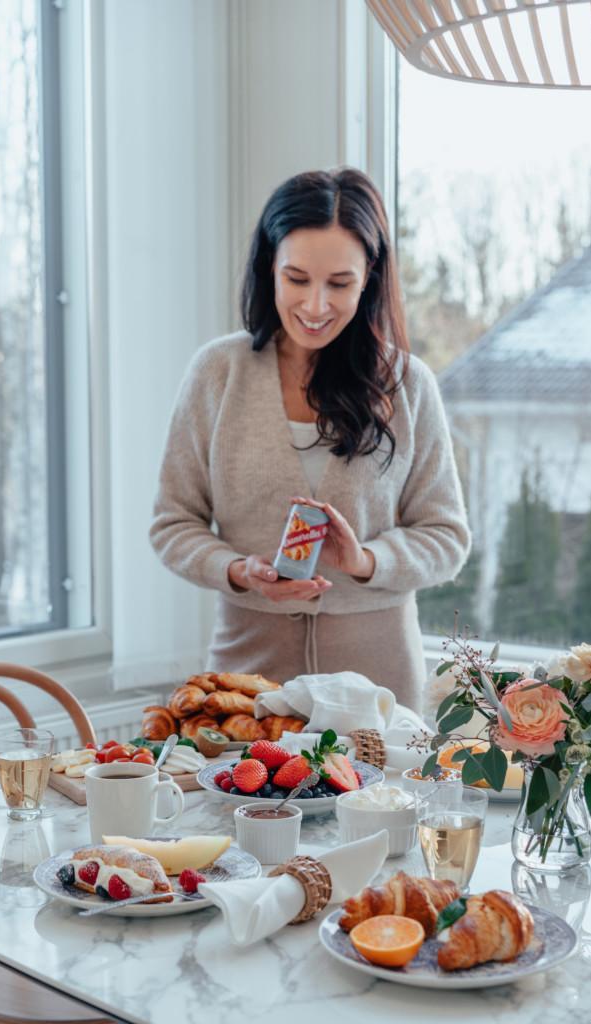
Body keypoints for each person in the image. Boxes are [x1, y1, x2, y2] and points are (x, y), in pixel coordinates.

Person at [150, 167, 470, 711]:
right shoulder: (217, 373)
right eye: (296, 279)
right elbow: (172, 524)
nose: (316, 305)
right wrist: (237, 572)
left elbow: (446, 536)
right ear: (268, 267)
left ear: (369, 276)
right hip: (246, 680)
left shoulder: (408, 385)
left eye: (339, 284)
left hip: (378, 688)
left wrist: (366, 560)